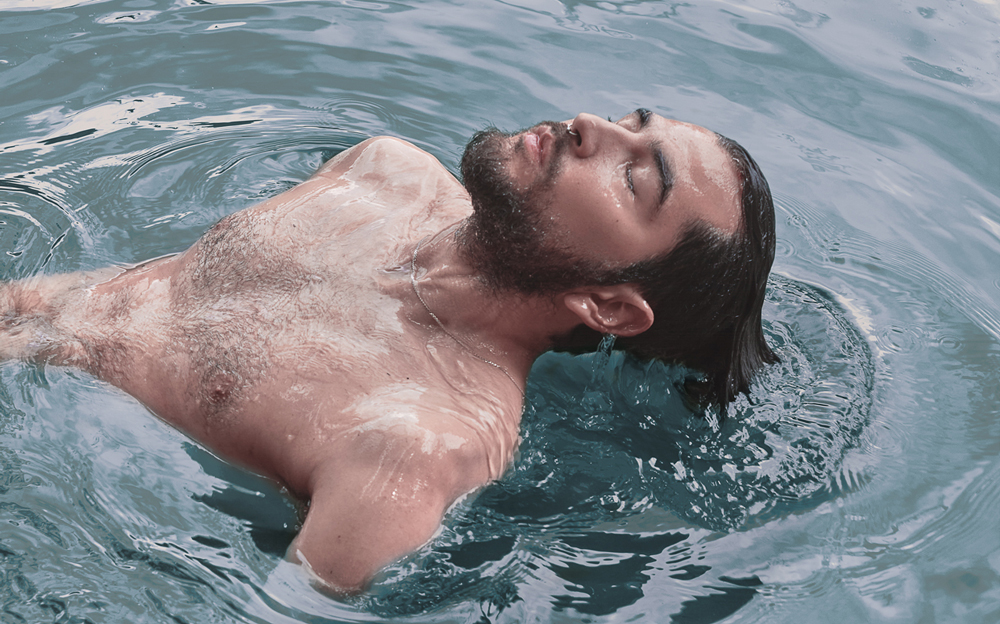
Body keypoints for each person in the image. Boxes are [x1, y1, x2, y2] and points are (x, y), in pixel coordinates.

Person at [0, 109, 777, 593]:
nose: (588, 125)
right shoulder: (383, 170)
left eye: (634, 176)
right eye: (628, 121)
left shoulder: (420, 443)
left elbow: (276, 606)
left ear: (608, 306)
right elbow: (103, 298)